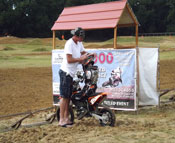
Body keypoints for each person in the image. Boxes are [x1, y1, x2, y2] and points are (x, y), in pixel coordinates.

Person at [58, 27, 95, 127]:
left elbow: (83, 53)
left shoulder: (79, 43)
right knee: (64, 97)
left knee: (68, 97)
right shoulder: (69, 44)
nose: (82, 39)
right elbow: (69, 60)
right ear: (76, 36)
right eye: (81, 37)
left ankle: (67, 118)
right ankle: (61, 120)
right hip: (65, 72)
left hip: (70, 74)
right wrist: (80, 59)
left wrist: (90, 54)